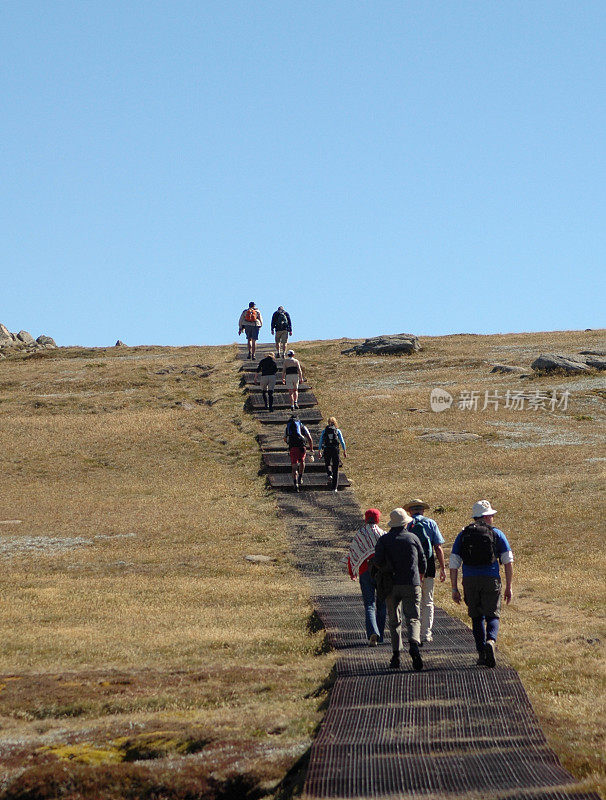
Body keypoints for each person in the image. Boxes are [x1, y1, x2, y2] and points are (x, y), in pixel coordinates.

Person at [449, 500, 514, 668]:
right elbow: (508, 561)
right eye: (491, 515)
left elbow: (454, 562)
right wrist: (509, 586)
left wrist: (454, 588)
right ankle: (491, 640)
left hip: (470, 580)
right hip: (491, 578)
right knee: (493, 615)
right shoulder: (497, 534)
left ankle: (481, 654)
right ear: (486, 517)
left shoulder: (464, 534)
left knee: (476, 617)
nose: (493, 518)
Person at [374, 508, 427, 671]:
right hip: (412, 582)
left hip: (391, 585)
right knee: (413, 618)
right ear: (405, 523)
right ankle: (414, 646)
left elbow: (377, 561)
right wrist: (420, 578)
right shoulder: (413, 538)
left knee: (394, 620)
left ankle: (396, 655)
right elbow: (423, 560)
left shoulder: (384, 540)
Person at [404, 499, 446, 645]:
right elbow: (438, 547)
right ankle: (426, 634)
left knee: (412, 600)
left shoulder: (406, 524)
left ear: (410, 511)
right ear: (422, 510)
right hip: (428, 567)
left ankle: (413, 633)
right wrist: (442, 568)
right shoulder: (431, 523)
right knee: (428, 601)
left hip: (411, 568)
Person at [346, 509, 387, 646]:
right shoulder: (383, 534)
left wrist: (352, 572)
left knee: (369, 604)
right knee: (382, 605)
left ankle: (372, 633)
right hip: (381, 573)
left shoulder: (360, 534)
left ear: (365, 519)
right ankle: (380, 636)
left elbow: (353, 553)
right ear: (378, 519)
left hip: (365, 572)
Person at [283, 414, 314, 492]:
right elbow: (310, 438)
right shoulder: (302, 426)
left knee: (294, 466)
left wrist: (288, 442)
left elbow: (284, 438)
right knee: (302, 461)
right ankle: (300, 477)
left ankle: (295, 483)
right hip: (301, 446)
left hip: (293, 447)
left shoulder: (288, 427)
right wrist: (311, 449)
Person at [318, 416, 347, 493]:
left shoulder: (325, 431)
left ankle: (329, 474)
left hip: (327, 449)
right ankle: (334, 488)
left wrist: (319, 450)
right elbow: (342, 441)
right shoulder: (337, 431)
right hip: (335, 449)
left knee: (327, 463)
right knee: (336, 468)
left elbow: (321, 440)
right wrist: (344, 450)